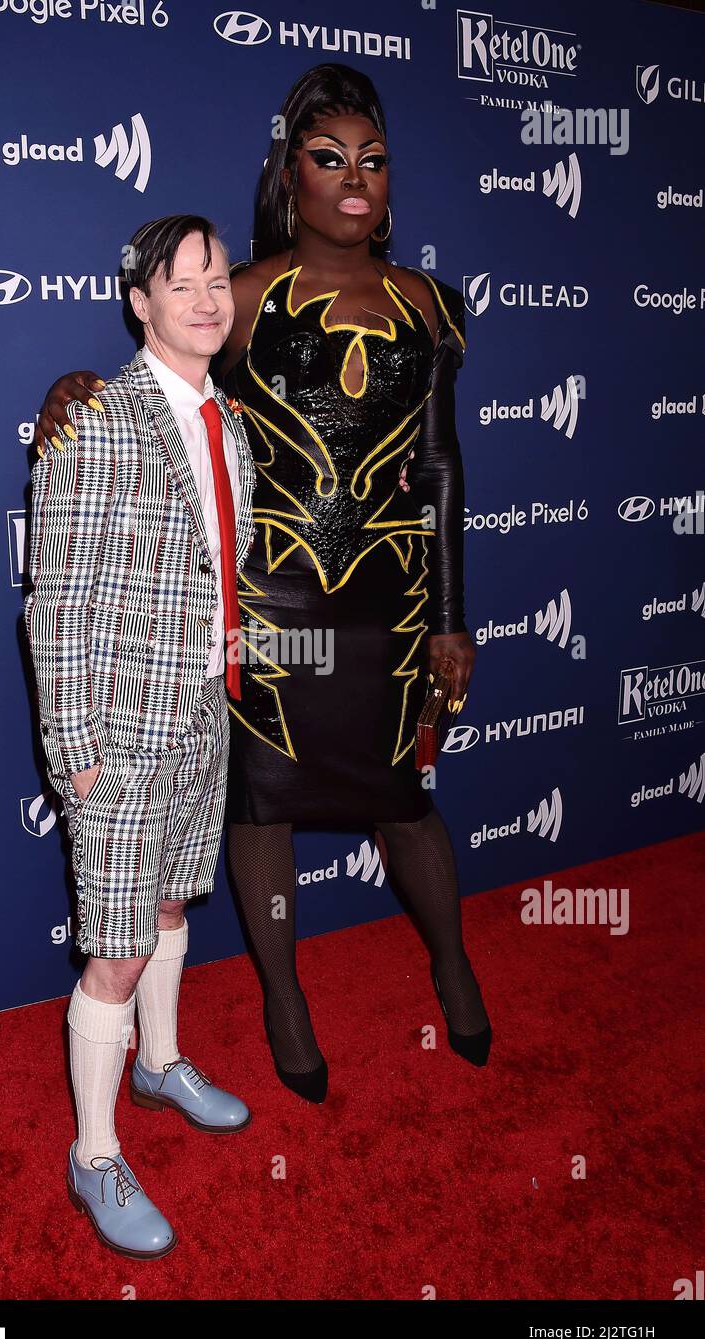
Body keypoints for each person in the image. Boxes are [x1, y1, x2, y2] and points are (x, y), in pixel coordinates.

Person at [34, 64, 491, 1108]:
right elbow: (165, 384)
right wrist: (74, 391)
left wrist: (453, 619)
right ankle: (283, 1000)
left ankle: (453, 966)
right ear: (290, 175)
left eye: (371, 162)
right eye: (328, 160)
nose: (353, 179)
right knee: (261, 806)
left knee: (404, 800)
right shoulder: (238, 295)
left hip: (392, 601)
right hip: (266, 604)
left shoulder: (429, 304)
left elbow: (440, 466)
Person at [24, 214, 255, 1259]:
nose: (209, 299)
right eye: (185, 283)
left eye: (219, 281)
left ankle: (161, 1063)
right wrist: (75, 749)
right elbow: (56, 603)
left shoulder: (228, 420)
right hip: (118, 734)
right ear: (141, 303)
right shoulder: (98, 422)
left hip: (205, 709)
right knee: (113, 954)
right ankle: (93, 1150)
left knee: (170, 903)